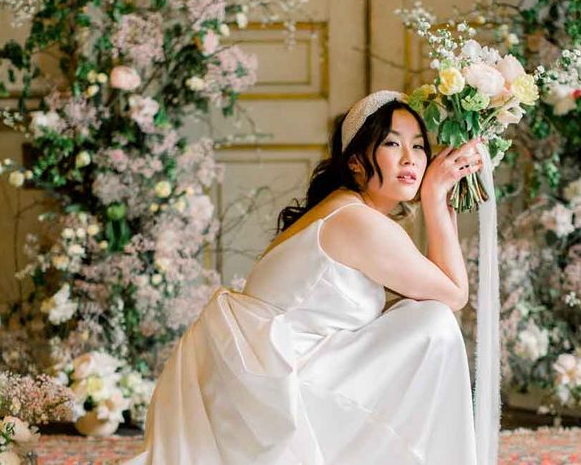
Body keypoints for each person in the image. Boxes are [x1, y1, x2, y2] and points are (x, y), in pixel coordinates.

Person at [125, 90, 491, 465]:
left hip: (269, 383)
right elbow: (454, 294)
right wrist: (434, 198)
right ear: (356, 162)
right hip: (275, 401)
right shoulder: (357, 221)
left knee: (424, 317)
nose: (410, 159)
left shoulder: (343, 209)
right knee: (435, 323)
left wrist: (438, 198)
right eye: (392, 143)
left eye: (418, 146)